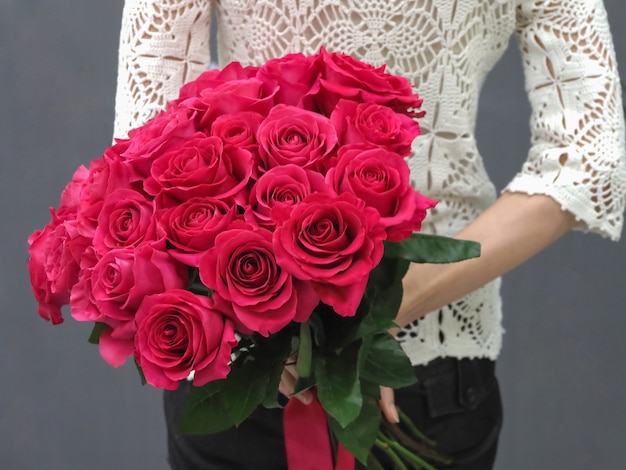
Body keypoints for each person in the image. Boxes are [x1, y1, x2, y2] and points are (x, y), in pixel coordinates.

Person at [112, 1, 626, 468]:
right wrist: (395, 301)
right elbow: (589, 164)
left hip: (249, 350)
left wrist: (293, 321)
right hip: (425, 367)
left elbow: (146, 152)